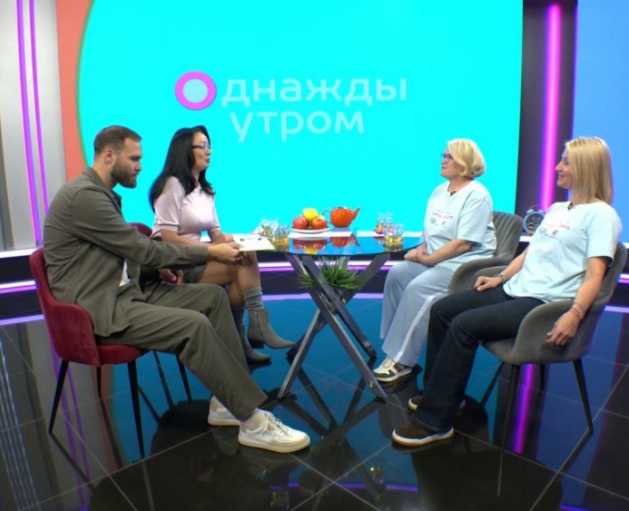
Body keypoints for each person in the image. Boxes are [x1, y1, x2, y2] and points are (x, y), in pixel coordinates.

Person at [43, 126, 310, 454]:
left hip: (128, 290)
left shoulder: (100, 193)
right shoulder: (84, 197)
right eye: (134, 158)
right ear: (109, 155)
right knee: (192, 325)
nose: (140, 166)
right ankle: (253, 422)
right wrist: (210, 253)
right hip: (99, 308)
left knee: (213, 297)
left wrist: (155, 269)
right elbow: (144, 249)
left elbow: (119, 253)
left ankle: (227, 402)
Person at [392, 136, 622, 447]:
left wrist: (575, 313)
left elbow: (596, 275)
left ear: (586, 167)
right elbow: (529, 254)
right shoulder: (557, 208)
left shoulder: (603, 216)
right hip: (516, 288)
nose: (557, 167)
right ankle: (440, 395)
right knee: (443, 310)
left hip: (543, 302)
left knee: (463, 326)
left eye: (566, 162)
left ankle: (435, 422)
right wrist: (499, 277)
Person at [148, 126, 293, 364]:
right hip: (177, 263)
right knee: (240, 265)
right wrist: (210, 251)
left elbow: (217, 235)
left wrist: (249, 238)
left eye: (210, 146)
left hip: (202, 255)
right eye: (203, 146)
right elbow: (167, 237)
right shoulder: (171, 185)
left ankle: (241, 340)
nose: (209, 151)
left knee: (245, 254)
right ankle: (253, 328)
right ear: (185, 150)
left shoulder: (206, 189)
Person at [375, 139, 496, 382]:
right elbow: (430, 232)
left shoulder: (477, 195)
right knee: (398, 273)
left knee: (419, 287)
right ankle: (393, 346)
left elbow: (463, 243)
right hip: (435, 257)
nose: (443, 160)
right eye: (443, 155)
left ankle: (402, 360)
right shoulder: (439, 191)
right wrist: (420, 250)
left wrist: (428, 259)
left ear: (464, 162)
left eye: (449, 157)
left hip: (463, 263)